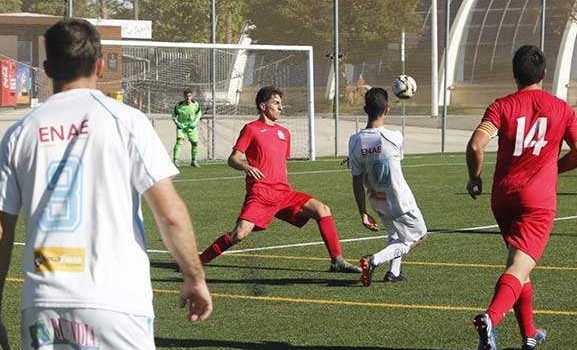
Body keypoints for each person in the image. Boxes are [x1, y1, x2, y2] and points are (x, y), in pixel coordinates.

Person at [0, 18, 212, 350]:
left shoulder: (20, 133)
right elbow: (169, 214)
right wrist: (194, 277)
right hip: (115, 301)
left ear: (47, 69)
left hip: (44, 306)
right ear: (100, 64)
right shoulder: (127, 121)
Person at [465, 45, 577, 350]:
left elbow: (477, 144)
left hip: (503, 198)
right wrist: (555, 167)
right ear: (544, 74)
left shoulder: (502, 106)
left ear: (514, 75)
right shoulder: (562, 108)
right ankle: (492, 317)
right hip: (537, 201)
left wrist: (474, 178)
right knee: (519, 266)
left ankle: (529, 333)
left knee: (520, 266)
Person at [198, 86, 361, 273]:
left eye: (281, 103)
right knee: (239, 234)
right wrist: (246, 166)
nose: (281, 107)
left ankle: (337, 261)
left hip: (283, 194)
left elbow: (280, 163)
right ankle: (198, 262)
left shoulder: (285, 133)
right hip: (261, 194)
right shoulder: (251, 129)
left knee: (322, 209)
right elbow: (233, 159)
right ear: (262, 106)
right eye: (276, 103)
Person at [349, 88, 428, 286]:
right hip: (400, 199)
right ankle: (374, 260)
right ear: (387, 110)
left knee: (395, 234)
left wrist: (363, 212)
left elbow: (356, 179)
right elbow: (395, 158)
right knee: (420, 236)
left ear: (365, 109)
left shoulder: (355, 141)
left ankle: (394, 273)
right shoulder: (395, 136)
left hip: (377, 200)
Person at [172, 89, 202, 168]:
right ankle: (175, 160)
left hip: (191, 127)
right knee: (179, 141)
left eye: (189, 96)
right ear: (183, 96)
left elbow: (199, 113)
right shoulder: (179, 105)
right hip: (181, 127)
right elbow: (174, 116)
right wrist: (177, 123)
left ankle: (193, 161)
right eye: (186, 96)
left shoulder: (195, 104)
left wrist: (195, 122)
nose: (188, 97)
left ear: (192, 96)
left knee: (195, 143)